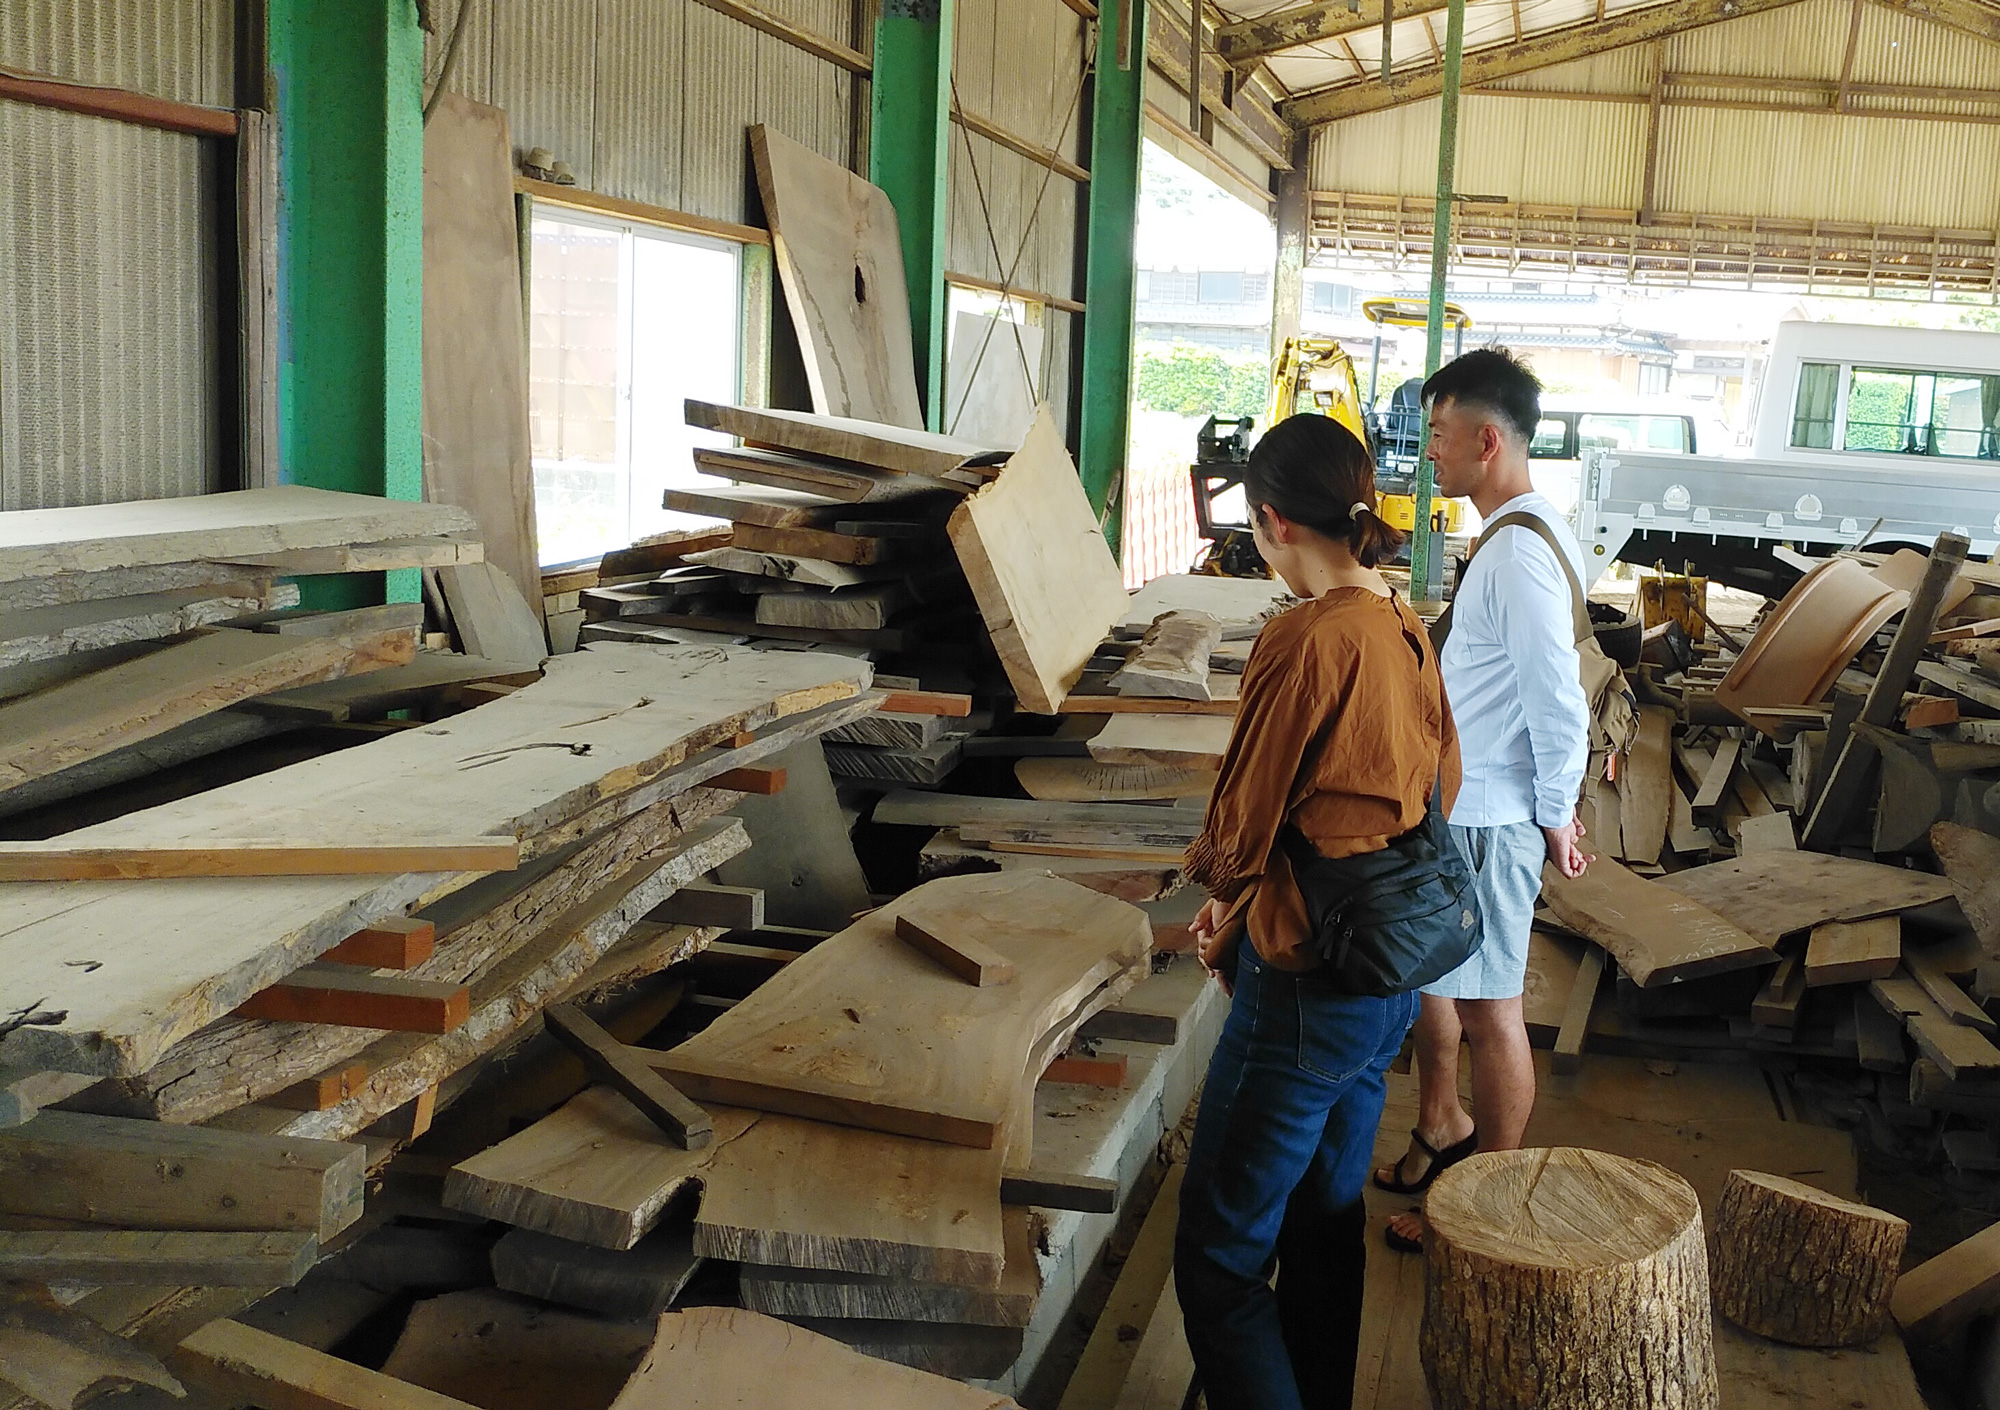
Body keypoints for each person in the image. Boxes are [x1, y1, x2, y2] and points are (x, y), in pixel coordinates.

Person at [1175, 413, 1461, 1410]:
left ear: (1272, 521)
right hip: (1385, 973)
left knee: (1217, 1257)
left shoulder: (1304, 637)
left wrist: (1220, 905)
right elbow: (1443, 782)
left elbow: (1246, 810)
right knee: (1324, 1224)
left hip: (1301, 987)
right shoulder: (1401, 621)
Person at [1376, 348, 1592, 1252]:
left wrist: (1555, 812)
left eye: (1439, 431)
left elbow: (1558, 698)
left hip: (1493, 817)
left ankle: (1487, 1214)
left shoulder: (1518, 556)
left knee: (1493, 1013)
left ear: (1488, 439)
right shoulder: (1514, 533)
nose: (1429, 449)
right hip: (1467, 808)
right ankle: (1448, 1135)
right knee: (1454, 993)